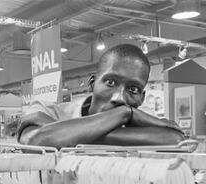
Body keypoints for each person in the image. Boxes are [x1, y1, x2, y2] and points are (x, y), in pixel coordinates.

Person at [18, 44, 184, 149]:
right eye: (110, 82)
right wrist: (125, 113)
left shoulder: (147, 119)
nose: (119, 98)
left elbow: (175, 139)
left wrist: (67, 137)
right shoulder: (49, 111)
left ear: (141, 97)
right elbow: (35, 140)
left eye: (133, 89)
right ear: (92, 83)